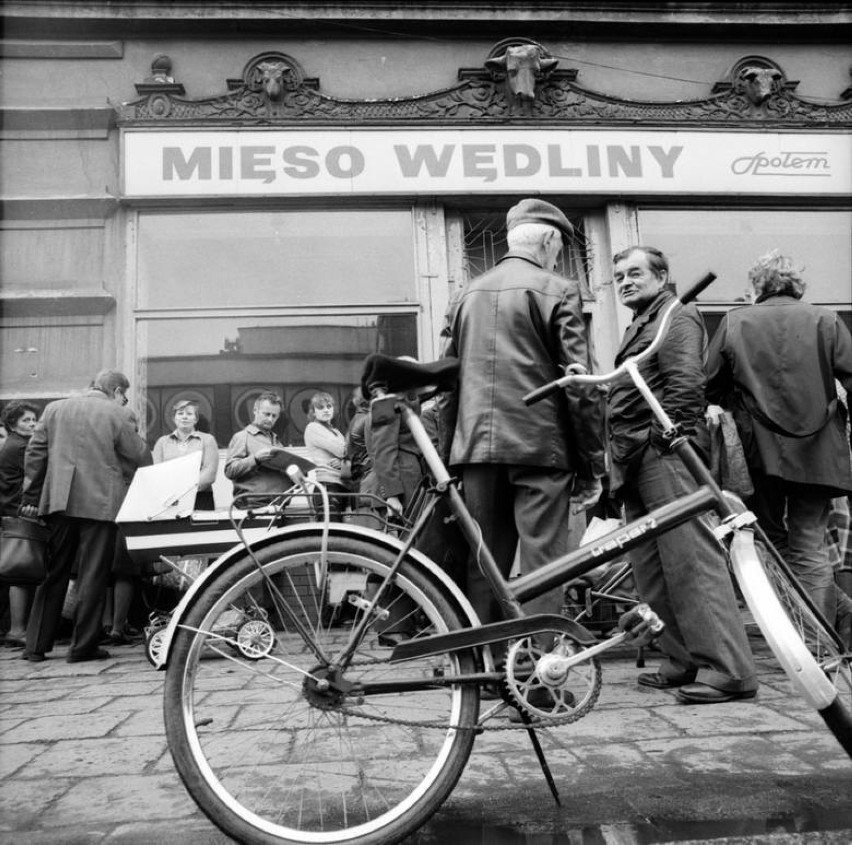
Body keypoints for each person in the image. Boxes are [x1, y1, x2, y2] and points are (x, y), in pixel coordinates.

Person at [438, 198, 606, 638]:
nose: (557, 256)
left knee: (485, 564)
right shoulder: (559, 289)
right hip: (540, 448)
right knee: (543, 565)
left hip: (475, 448)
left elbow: (445, 387)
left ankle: (487, 670)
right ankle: (539, 679)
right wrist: (591, 464)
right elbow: (579, 386)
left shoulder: (464, 295)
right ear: (548, 239)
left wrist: (448, 458)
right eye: (558, 246)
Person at [607, 245, 757, 704]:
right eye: (619, 277)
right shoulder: (643, 321)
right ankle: (681, 659)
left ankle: (730, 670)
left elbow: (686, 385)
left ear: (662, 276)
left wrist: (661, 440)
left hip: (662, 453)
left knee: (691, 559)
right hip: (634, 456)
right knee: (651, 566)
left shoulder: (676, 314)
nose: (625, 281)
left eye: (635, 273)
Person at [706, 250, 852, 625]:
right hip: (819, 452)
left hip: (759, 454)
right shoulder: (827, 320)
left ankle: (795, 631)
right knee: (811, 544)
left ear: (757, 285)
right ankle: (821, 642)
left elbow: (707, 385)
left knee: (768, 539)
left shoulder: (735, 322)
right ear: (796, 285)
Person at [19, 370, 151, 663]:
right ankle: (82, 647)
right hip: (100, 504)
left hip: (59, 501)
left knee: (55, 572)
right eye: (124, 395)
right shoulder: (116, 413)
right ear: (115, 390)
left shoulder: (54, 409)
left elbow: (35, 453)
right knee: (93, 573)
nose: (124, 400)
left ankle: (35, 646)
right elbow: (138, 456)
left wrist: (32, 495)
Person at [0, 401, 40, 648]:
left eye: (34, 419)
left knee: (22, 571)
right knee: (22, 572)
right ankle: (17, 630)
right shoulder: (20, 446)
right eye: (26, 420)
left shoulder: (13, 444)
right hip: (19, 513)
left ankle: (20, 628)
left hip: (13, 511)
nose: (32, 423)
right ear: (13, 423)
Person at [153, 399, 220, 510]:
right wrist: (170, 493)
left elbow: (209, 474)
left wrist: (183, 492)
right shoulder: (162, 442)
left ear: (195, 419)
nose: (184, 417)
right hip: (169, 500)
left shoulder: (207, 440)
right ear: (174, 418)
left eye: (189, 414)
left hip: (200, 499)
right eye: (180, 413)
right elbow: (157, 473)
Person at [224, 391, 289, 505]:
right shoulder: (242, 437)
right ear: (255, 411)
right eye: (266, 414)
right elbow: (230, 471)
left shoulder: (277, 441)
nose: (270, 419)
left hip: (280, 505)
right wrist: (255, 459)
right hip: (254, 505)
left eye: (274, 416)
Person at [303, 391, 348, 521]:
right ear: (313, 411)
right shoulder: (313, 427)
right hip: (327, 486)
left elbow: (346, 454)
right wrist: (345, 457)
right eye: (321, 407)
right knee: (332, 534)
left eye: (329, 406)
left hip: (340, 485)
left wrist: (342, 461)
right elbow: (343, 450)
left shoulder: (336, 431)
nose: (326, 410)